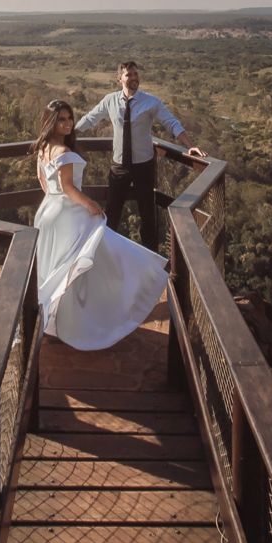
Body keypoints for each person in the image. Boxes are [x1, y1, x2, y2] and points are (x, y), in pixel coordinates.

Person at [31, 100, 168, 350]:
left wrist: (54, 202)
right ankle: (89, 317)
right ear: (50, 122)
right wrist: (91, 205)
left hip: (47, 211)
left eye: (69, 118)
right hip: (68, 214)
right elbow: (69, 189)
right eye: (61, 119)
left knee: (57, 267)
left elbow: (44, 183)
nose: (68, 123)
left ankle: (53, 320)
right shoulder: (64, 153)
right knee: (99, 253)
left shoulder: (43, 149)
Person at [75, 60, 205, 251]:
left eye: (136, 74)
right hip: (119, 166)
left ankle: (151, 258)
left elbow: (172, 123)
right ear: (119, 78)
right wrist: (66, 136)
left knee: (148, 215)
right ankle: (104, 255)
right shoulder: (110, 101)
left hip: (144, 167)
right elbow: (90, 119)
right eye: (129, 75)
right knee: (111, 213)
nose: (134, 78)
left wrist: (191, 145)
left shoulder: (151, 102)